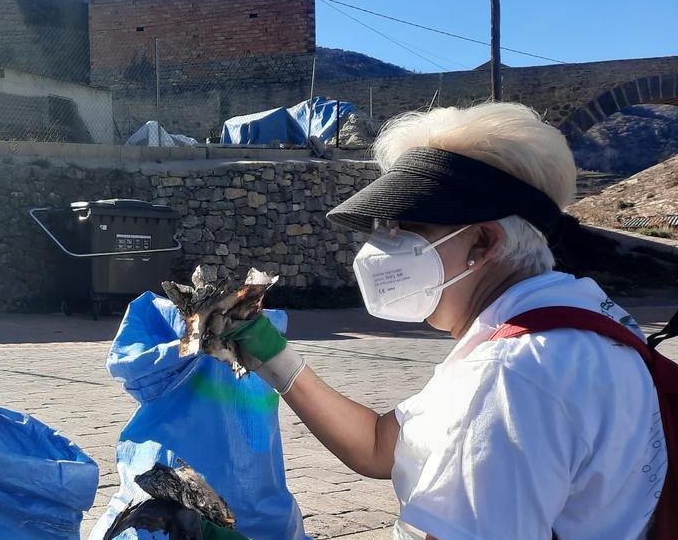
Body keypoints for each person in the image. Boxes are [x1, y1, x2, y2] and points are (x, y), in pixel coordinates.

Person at [214, 102, 666, 538]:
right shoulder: (578, 322)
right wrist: (276, 359)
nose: (379, 248)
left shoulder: (512, 376)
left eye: (404, 227)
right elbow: (379, 446)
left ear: (483, 242)